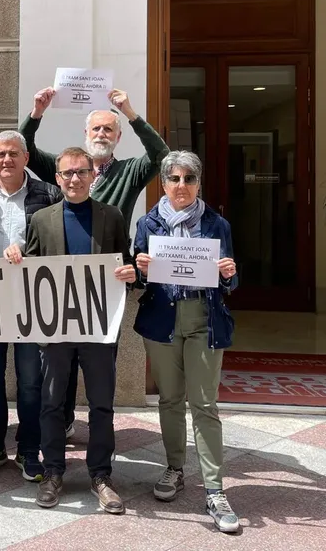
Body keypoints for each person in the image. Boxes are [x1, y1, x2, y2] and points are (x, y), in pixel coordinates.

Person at [21, 87, 170, 437]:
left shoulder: (130, 172)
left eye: (109, 129)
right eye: (96, 129)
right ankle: (66, 421)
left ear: (118, 138)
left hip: (103, 292)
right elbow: (26, 149)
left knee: (100, 365)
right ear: (85, 135)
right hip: (61, 288)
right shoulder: (68, 168)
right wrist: (37, 111)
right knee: (62, 366)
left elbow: (161, 154)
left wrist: (130, 112)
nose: (101, 134)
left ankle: (101, 432)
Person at [9, 146, 137, 513]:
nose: (75, 179)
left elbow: (123, 261)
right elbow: (32, 267)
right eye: (67, 173)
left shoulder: (111, 216)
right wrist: (17, 257)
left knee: (101, 405)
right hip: (56, 329)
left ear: (93, 175)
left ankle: (101, 475)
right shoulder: (43, 219)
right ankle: (53, 472)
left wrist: (131, 273)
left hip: (97, 329)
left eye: (82, 172)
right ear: (58, 178)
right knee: (51, 403)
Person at [133, 151, 239, 533]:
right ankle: (175, 468)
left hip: (204, 319)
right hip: (163, 318)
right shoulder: (148, 222)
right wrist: (140, 270)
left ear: (199, 183)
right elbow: (138, 280)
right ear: (163, 183)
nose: (182, 186)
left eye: (189, 179)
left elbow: (230, 281)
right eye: (174, 179)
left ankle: (214, 489)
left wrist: (228, 273)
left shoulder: (216, 224)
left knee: (205, 403)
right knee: (170, 399)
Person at [0, 131, 62, 481]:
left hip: (30, 301)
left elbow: (56, 244)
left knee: (30, 380)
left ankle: (28, 449)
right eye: (0, 155)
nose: (7, 160)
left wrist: (28, 253)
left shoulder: (49, 194)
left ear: (26, 157)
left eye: (13, 153)